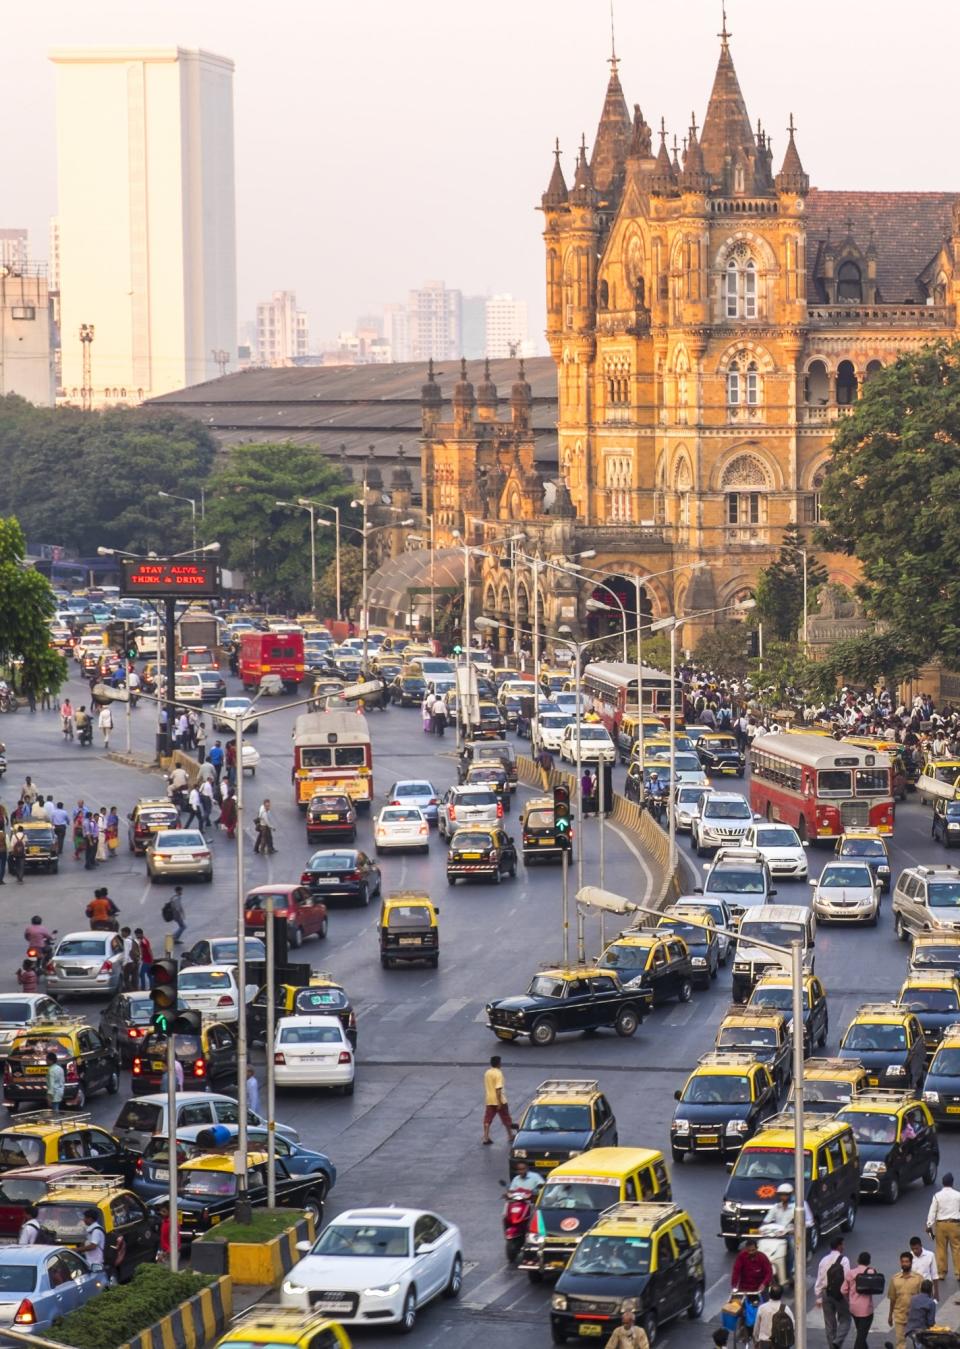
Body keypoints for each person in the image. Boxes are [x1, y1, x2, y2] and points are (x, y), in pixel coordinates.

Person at [814, 1236, 851, 1349]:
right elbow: (847, 1278)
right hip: (840, 1294)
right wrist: (848, 1295)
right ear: (839, 1246)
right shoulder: (844, 1260)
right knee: (845, 1320)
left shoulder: (823, 1260)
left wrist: (818, 1297)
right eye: (842, 1245)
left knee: (829, 1324)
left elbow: (819, 1279)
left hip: (826, 1293)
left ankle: (832, 1346)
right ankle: (838, 1341)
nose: (843, 1247)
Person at [927, 1170, 960, 1286]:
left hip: (941, 1225)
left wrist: (928, 1225)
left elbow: (932, 1211)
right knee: (957, 1248)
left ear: (942, 1182)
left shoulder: (937, 1196)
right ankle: (958, 1272)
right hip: (955, 1224)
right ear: (952, 1182)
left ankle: (941, 1273)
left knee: (941, 1249)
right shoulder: (958, 1195)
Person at [842, 1251, 879, 1349]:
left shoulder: (851, 1273)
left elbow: (843, 1290)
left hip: (854, 1308)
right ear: (869, 1262)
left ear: (858, 1260)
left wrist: (849, 1300)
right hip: (866, 1310)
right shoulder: (872, 1272)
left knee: (861, 1333)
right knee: (861, 1337)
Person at [887, 1251, 923, 1349]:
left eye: (907, 1262)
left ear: (911, 1263)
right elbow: (892, 1299)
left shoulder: (919, 1279)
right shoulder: (895, 1279)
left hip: (914, 1316)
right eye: (903, 1262)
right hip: (899, 1315)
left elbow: (922, 1298)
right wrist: (890, 1315)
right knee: (900, 1343)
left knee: (918, 1343)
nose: (904, 1264)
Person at [481, 1055, 516, 1144]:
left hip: (489, 1100)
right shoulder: (498, 1073)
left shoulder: (487, 1072)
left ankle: (486, 1137)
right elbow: (498, 1089)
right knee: (506, 1118)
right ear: (499, 1063)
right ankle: (510, 1135)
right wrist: (499, 1102)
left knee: (488, 1119)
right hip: (500, 1100)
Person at [752, 1284, 793, 1349]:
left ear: (769, 1294)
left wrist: (756, 1341)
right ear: (781, 1295)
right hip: (781, 1344)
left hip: (765, 1343)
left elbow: (756, 1327)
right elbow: (792, 1326)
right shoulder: (786, 1309)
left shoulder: (762, 1308)